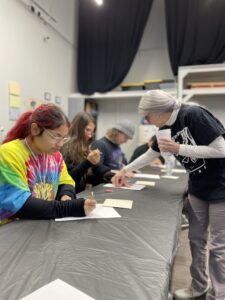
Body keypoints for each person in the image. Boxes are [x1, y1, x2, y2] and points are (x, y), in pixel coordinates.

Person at [112, 89, 225, 300]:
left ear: (160, 111)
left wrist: (179, 148)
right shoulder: (163, 127)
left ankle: (219, 295)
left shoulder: (193, 115)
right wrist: (125, 170)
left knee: (219, 247)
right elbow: (151, 154)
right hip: (198, 188)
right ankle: (199, 286)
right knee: (196, 240)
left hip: (221, 187)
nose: (146, 120)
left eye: (148, 115)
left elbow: (221, 149)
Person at [0, 104, 96, 225]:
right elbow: (18, 204)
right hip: (9, 231)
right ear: (35, 129)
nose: (60, 144)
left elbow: (65, 182)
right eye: (56, 136)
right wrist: (66, 208)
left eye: (64, 138)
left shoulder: (55, 156)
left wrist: (66, 196)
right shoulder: (8, 154)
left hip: (37, 225)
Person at [61, 112, 102, 193]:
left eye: (92, 131)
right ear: (78, 128)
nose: (90, 135)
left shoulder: (83, 146)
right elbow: (69, 178)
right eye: (87, 130)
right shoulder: (66, 147)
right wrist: (88, 162)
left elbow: (85, 176)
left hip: (78, 193)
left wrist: (105, 173)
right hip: (68, 195)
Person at [90, 119, 135, 184]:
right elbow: (97, 168)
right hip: (104, 184)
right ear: (117, 132)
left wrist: (127, 170)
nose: (126, 141)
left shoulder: (116, 145)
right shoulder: (100, 144)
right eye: (126, 137)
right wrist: (117, 173)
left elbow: (121, 162)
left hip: (116, 181)